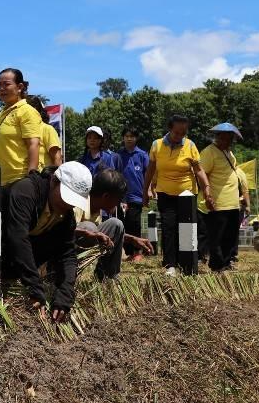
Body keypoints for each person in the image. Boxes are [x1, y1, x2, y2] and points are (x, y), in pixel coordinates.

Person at [1, 162, 91, 321]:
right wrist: (34, 287)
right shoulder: (26, 192)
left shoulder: (66, 215)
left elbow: (68, 254)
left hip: (18, 262)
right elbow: (18, 238)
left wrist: (65, 293)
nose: (69, 204)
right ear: (54, 181)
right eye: (66, 197)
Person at [144, 114, 210, 275]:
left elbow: (199, 171)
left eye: (183, 133)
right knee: (168, 227)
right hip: (165, 193)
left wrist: (207, 190)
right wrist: (145, 190)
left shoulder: (190, 146)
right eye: (177, 132)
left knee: (186, 228)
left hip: (187, 195)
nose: (180, 136)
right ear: (169, 129)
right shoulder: (157, 146)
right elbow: (151, 169)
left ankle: (187, 262)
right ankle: (170, 264)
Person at [72, 167, 154, 280]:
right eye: (118, 199)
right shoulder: (79, 202)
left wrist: (132, 239)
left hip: (81, 242)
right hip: (63, 253)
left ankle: (108, 276)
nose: (118, 204)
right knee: (90, 227)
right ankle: (64, 273)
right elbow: (64, 230)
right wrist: (88, 232)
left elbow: (101, 235)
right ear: (106, 196)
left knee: (116, 225)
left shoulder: (97, 207)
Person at [199, 123, 250, 272]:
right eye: (226, 139)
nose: (228, 142)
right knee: (217, 237)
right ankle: (217, 265)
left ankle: (227, 263)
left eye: (231, 139)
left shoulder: (229, 153)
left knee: (230, 237)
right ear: (218, 137)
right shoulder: (209, 152)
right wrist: (208, 197)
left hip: (233, 204)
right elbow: (202, 176)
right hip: (218, 203)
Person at [0, 68, 41, 187]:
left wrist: (31, 179)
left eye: (6, 84)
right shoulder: (0, 115)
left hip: (20, 180)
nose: (1, 88)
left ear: (19, 87)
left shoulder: (27, 111)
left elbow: (34, 144)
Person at [114, 127, 150, 260]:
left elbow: (148, 173)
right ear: (123, 138)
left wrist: (150, 190)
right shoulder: (118, 155)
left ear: (136, 138)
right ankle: (129, 253)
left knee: (134, 223)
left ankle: (137, 252)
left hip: (137, 195)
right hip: (121, 196)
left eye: (132, 136)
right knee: (123, 223)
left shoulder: (142, 154)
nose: (129, 138)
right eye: (127, 136)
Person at [27, 96, 62, 170]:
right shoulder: (17, 131)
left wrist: (55, 180)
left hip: (41, 179)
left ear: (35, 109)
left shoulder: (47, 129)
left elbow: (57, 159)